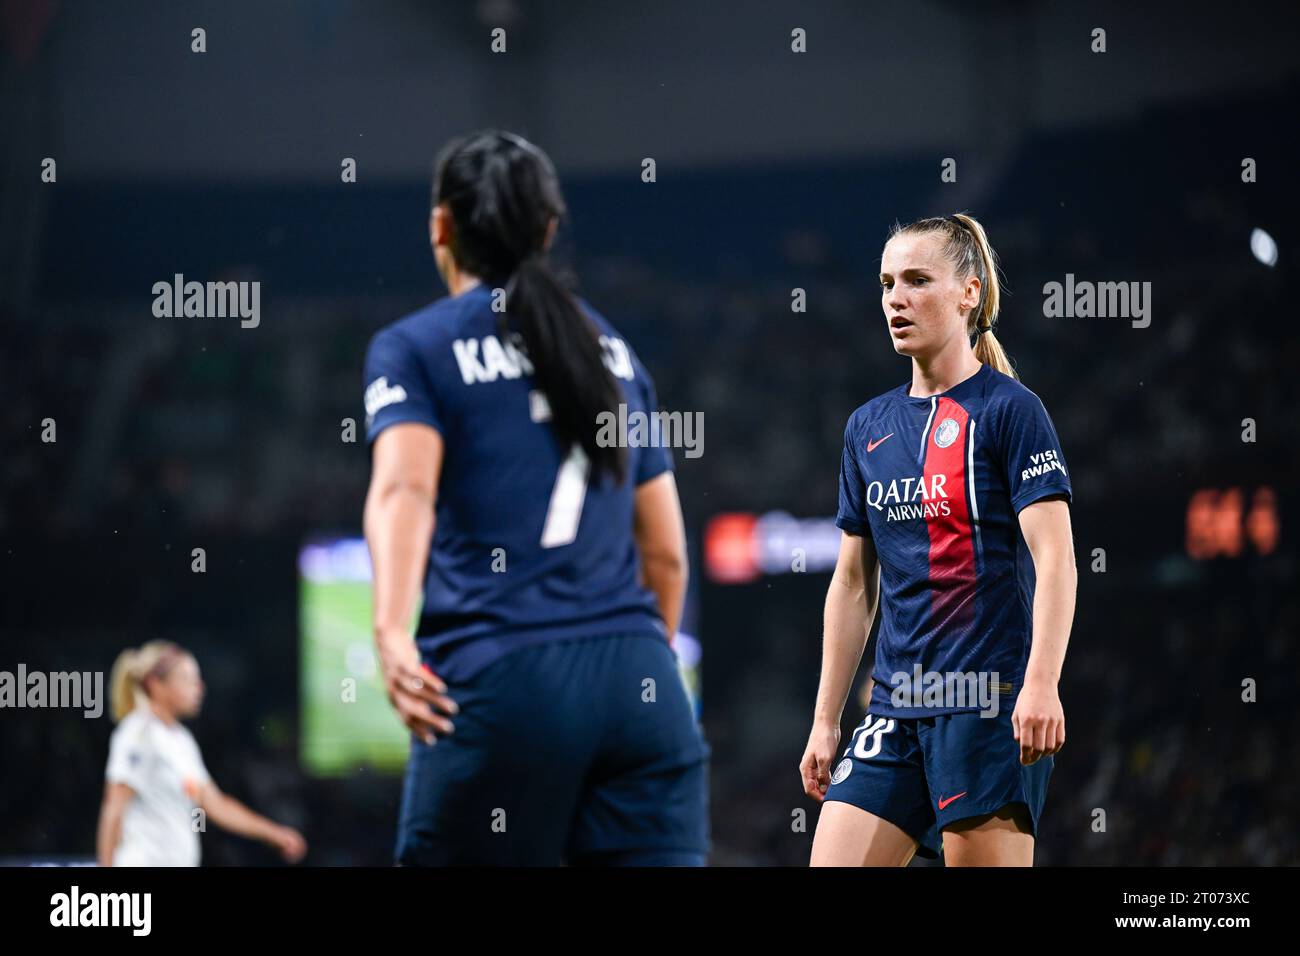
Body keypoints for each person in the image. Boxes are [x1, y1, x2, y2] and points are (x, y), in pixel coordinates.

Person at [362, 130, 709, 866]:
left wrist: (391, 631)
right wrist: (637, 670)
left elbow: (404, 486)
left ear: (440, 227)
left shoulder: (414, 347)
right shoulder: (613, 350)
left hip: (503, 684)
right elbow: (667, 556)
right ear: (549, 229)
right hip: (644, 697)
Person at [800, 213, 1077, 866]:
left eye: (918, 280)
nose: (896, 298)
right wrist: (824, 719)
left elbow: (1057, 558)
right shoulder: (866, 426)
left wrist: (1042, 683)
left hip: (986, 704)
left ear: (969, 292)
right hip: (894, 710)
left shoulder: (1010, 411)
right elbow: (852, 582)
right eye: (887, 283)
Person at [97, 641, 307, 866]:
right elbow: (114, 808)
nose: (199, 687)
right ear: (155, 684)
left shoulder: (181, 739)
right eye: (187, 680)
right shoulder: (139, 733)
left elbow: (215, 804)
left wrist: (273, 833)